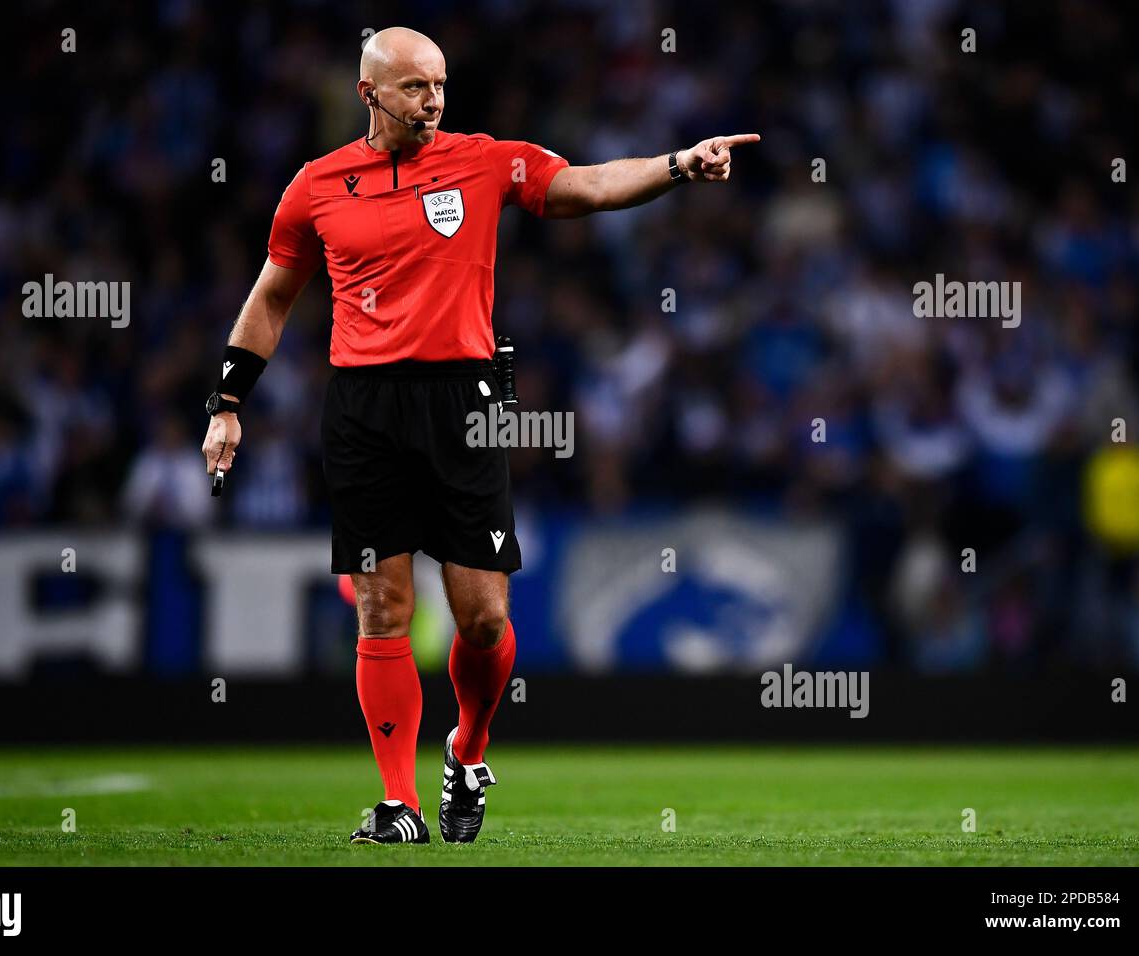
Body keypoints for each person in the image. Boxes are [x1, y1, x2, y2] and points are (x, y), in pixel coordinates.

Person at [200, 26, 758, 845]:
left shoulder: (487, 160)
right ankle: (400, 805)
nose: (433, 101)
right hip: (363, 408)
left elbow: (593, 184)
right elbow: (273, 295)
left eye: (440, 85)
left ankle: (468, 748)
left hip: (463, 403)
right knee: (384, 607)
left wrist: (678, 164)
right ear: (369, 95)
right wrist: (226, 400)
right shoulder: (317, 186)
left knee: (485, 621)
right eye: (416, 88)